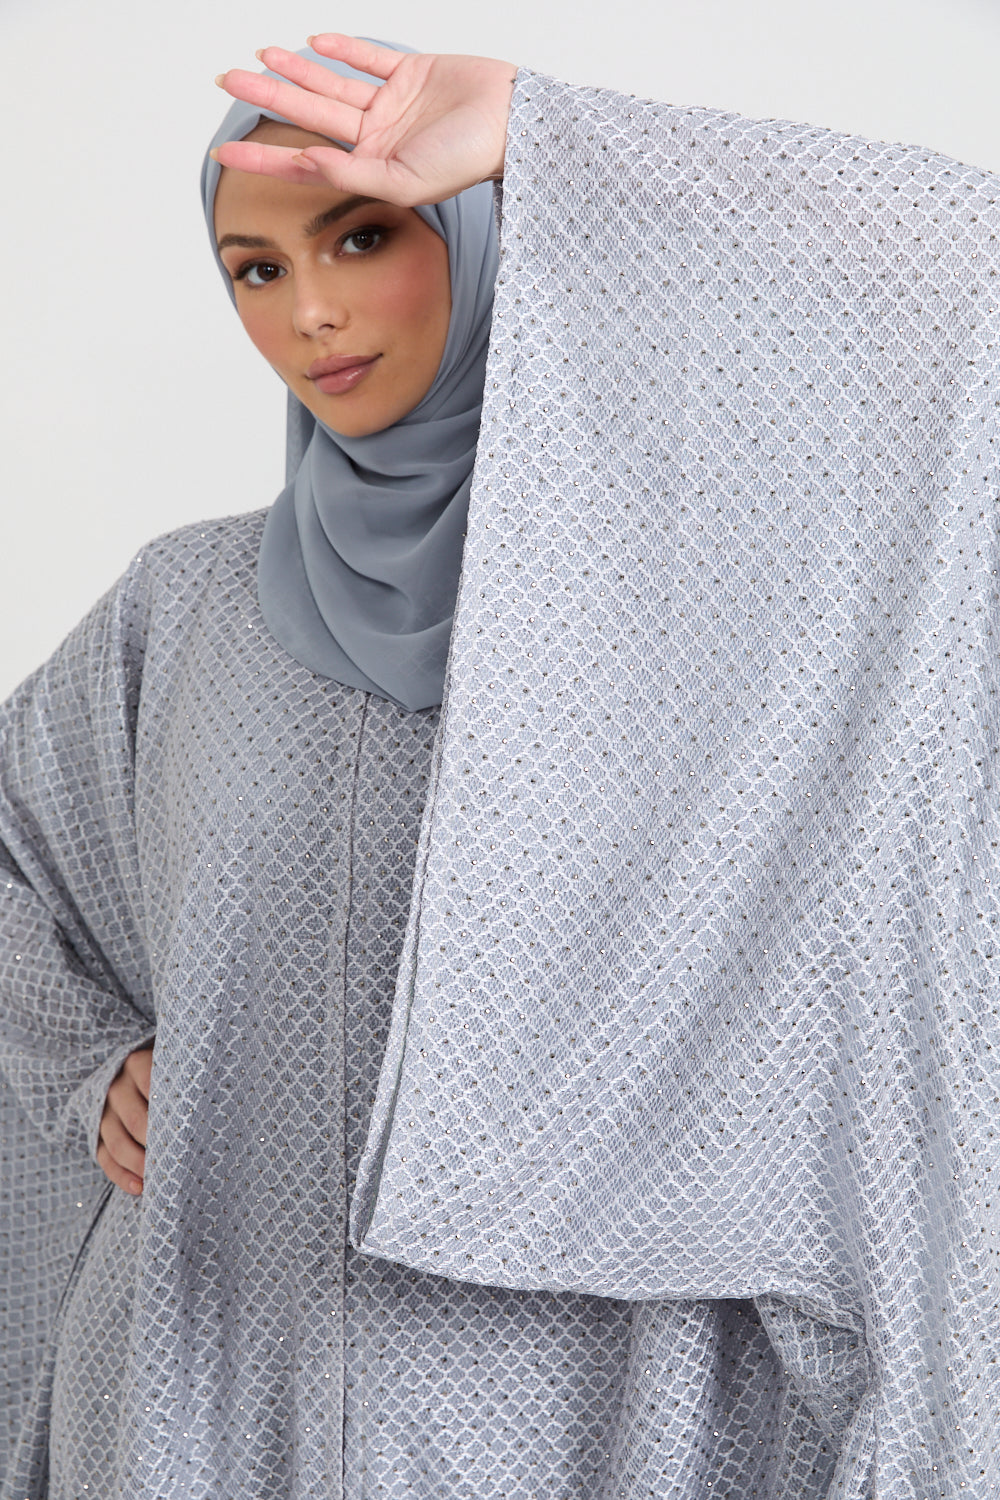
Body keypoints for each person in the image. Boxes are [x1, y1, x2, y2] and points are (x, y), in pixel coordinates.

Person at [1, 33, 996, 1500]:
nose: (311, 311)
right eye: (256, 268)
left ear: (495, 240)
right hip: (208, 1401)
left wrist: (546, 134)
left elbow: (971, 287)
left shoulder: (721, 611)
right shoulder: (185, 611)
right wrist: (82, 1064)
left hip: (598, 1418)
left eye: (364, 235)